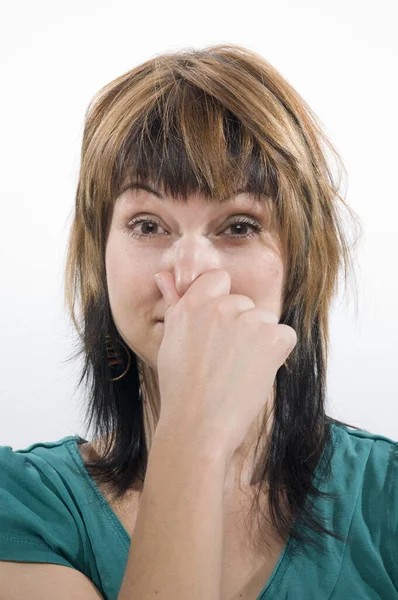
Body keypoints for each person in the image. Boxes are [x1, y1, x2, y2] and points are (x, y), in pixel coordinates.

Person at [0, 43, 397, 600]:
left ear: (300, 263)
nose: (188, 273)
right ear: (100, 257)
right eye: (146, 224)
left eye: (238, 225)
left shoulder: (389, 498)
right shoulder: (20, 504)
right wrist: (196, 432)